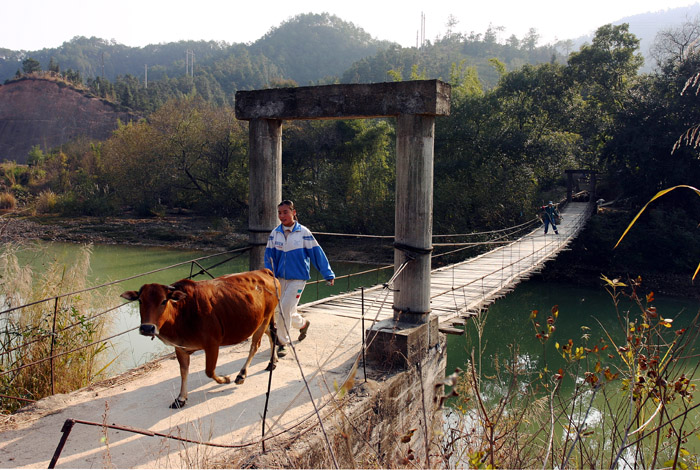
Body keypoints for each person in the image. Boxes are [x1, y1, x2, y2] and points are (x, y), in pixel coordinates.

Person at [264, 200, 335, 357]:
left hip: (298, 279)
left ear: (293, 212)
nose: (282, 216)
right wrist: (269, 275)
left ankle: (282, 343)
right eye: (280, 213)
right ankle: (303, 324)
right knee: (280, 310)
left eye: (285, 212)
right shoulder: (275, 234)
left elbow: (317, 254)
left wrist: (328, 274)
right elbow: (268, 256)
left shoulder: (303, 233)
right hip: (279, 279)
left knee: (285, 309)